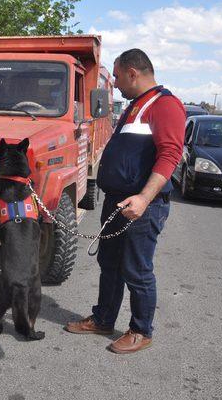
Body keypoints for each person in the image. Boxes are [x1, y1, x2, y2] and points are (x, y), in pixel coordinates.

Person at [65, 49, 185, 354]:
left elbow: (170, 155)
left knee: (136, 269)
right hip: (117, 203)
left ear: (133, 72)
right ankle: (104, 318)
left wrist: (144, 198)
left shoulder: (165, 105)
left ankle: (141, 330)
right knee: (110, 264)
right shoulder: (135, 106)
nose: (115, 83)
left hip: (141, 206)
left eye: (117, 76)